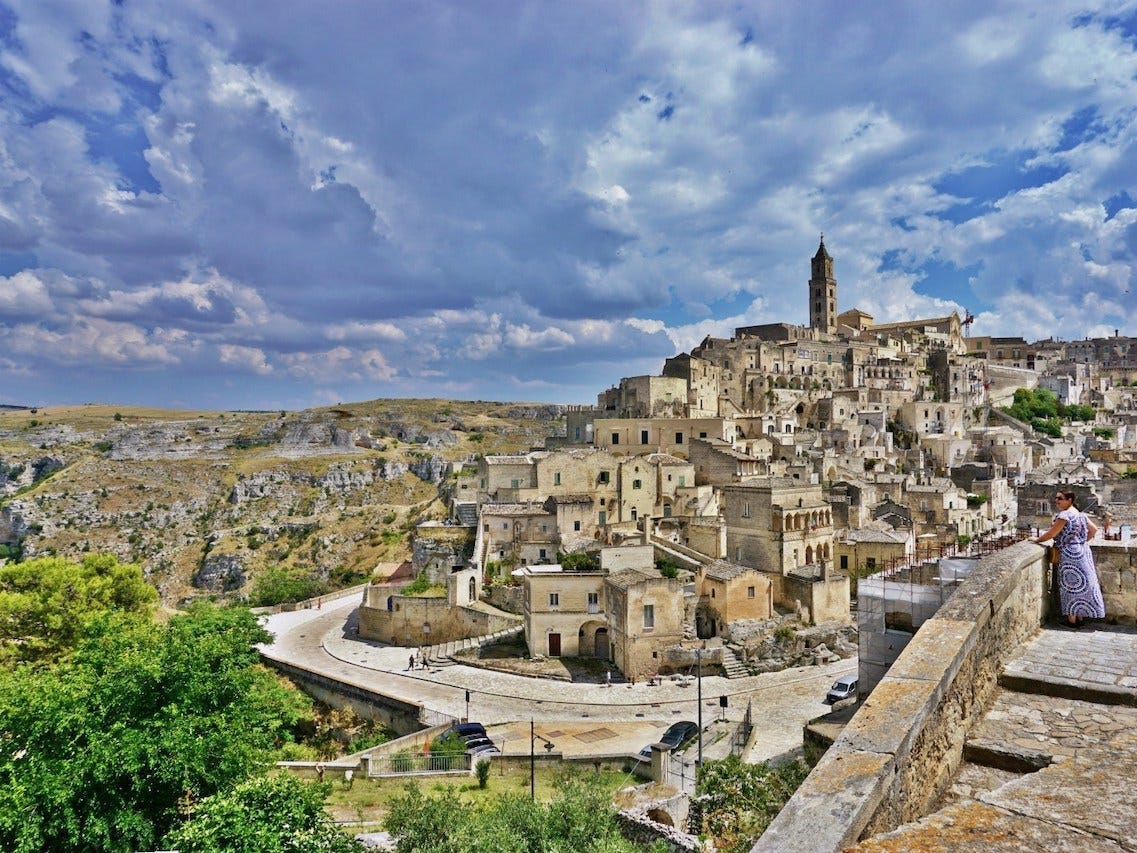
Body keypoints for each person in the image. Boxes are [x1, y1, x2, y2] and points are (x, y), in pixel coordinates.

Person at [1033, 489, 1105, 628]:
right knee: (1083, 586)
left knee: (1070, 586)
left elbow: (1051, 533)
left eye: (1060, 498)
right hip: (1083, 552)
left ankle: (1072, 621)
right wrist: (1080, 542)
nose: (1057, 501)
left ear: (1070, 500)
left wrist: (1036, 540)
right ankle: (1080, 618)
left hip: (1068, 554)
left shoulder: (1064, 515)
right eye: (1056, 498)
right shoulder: (1081, 515)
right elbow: (1094, 529)